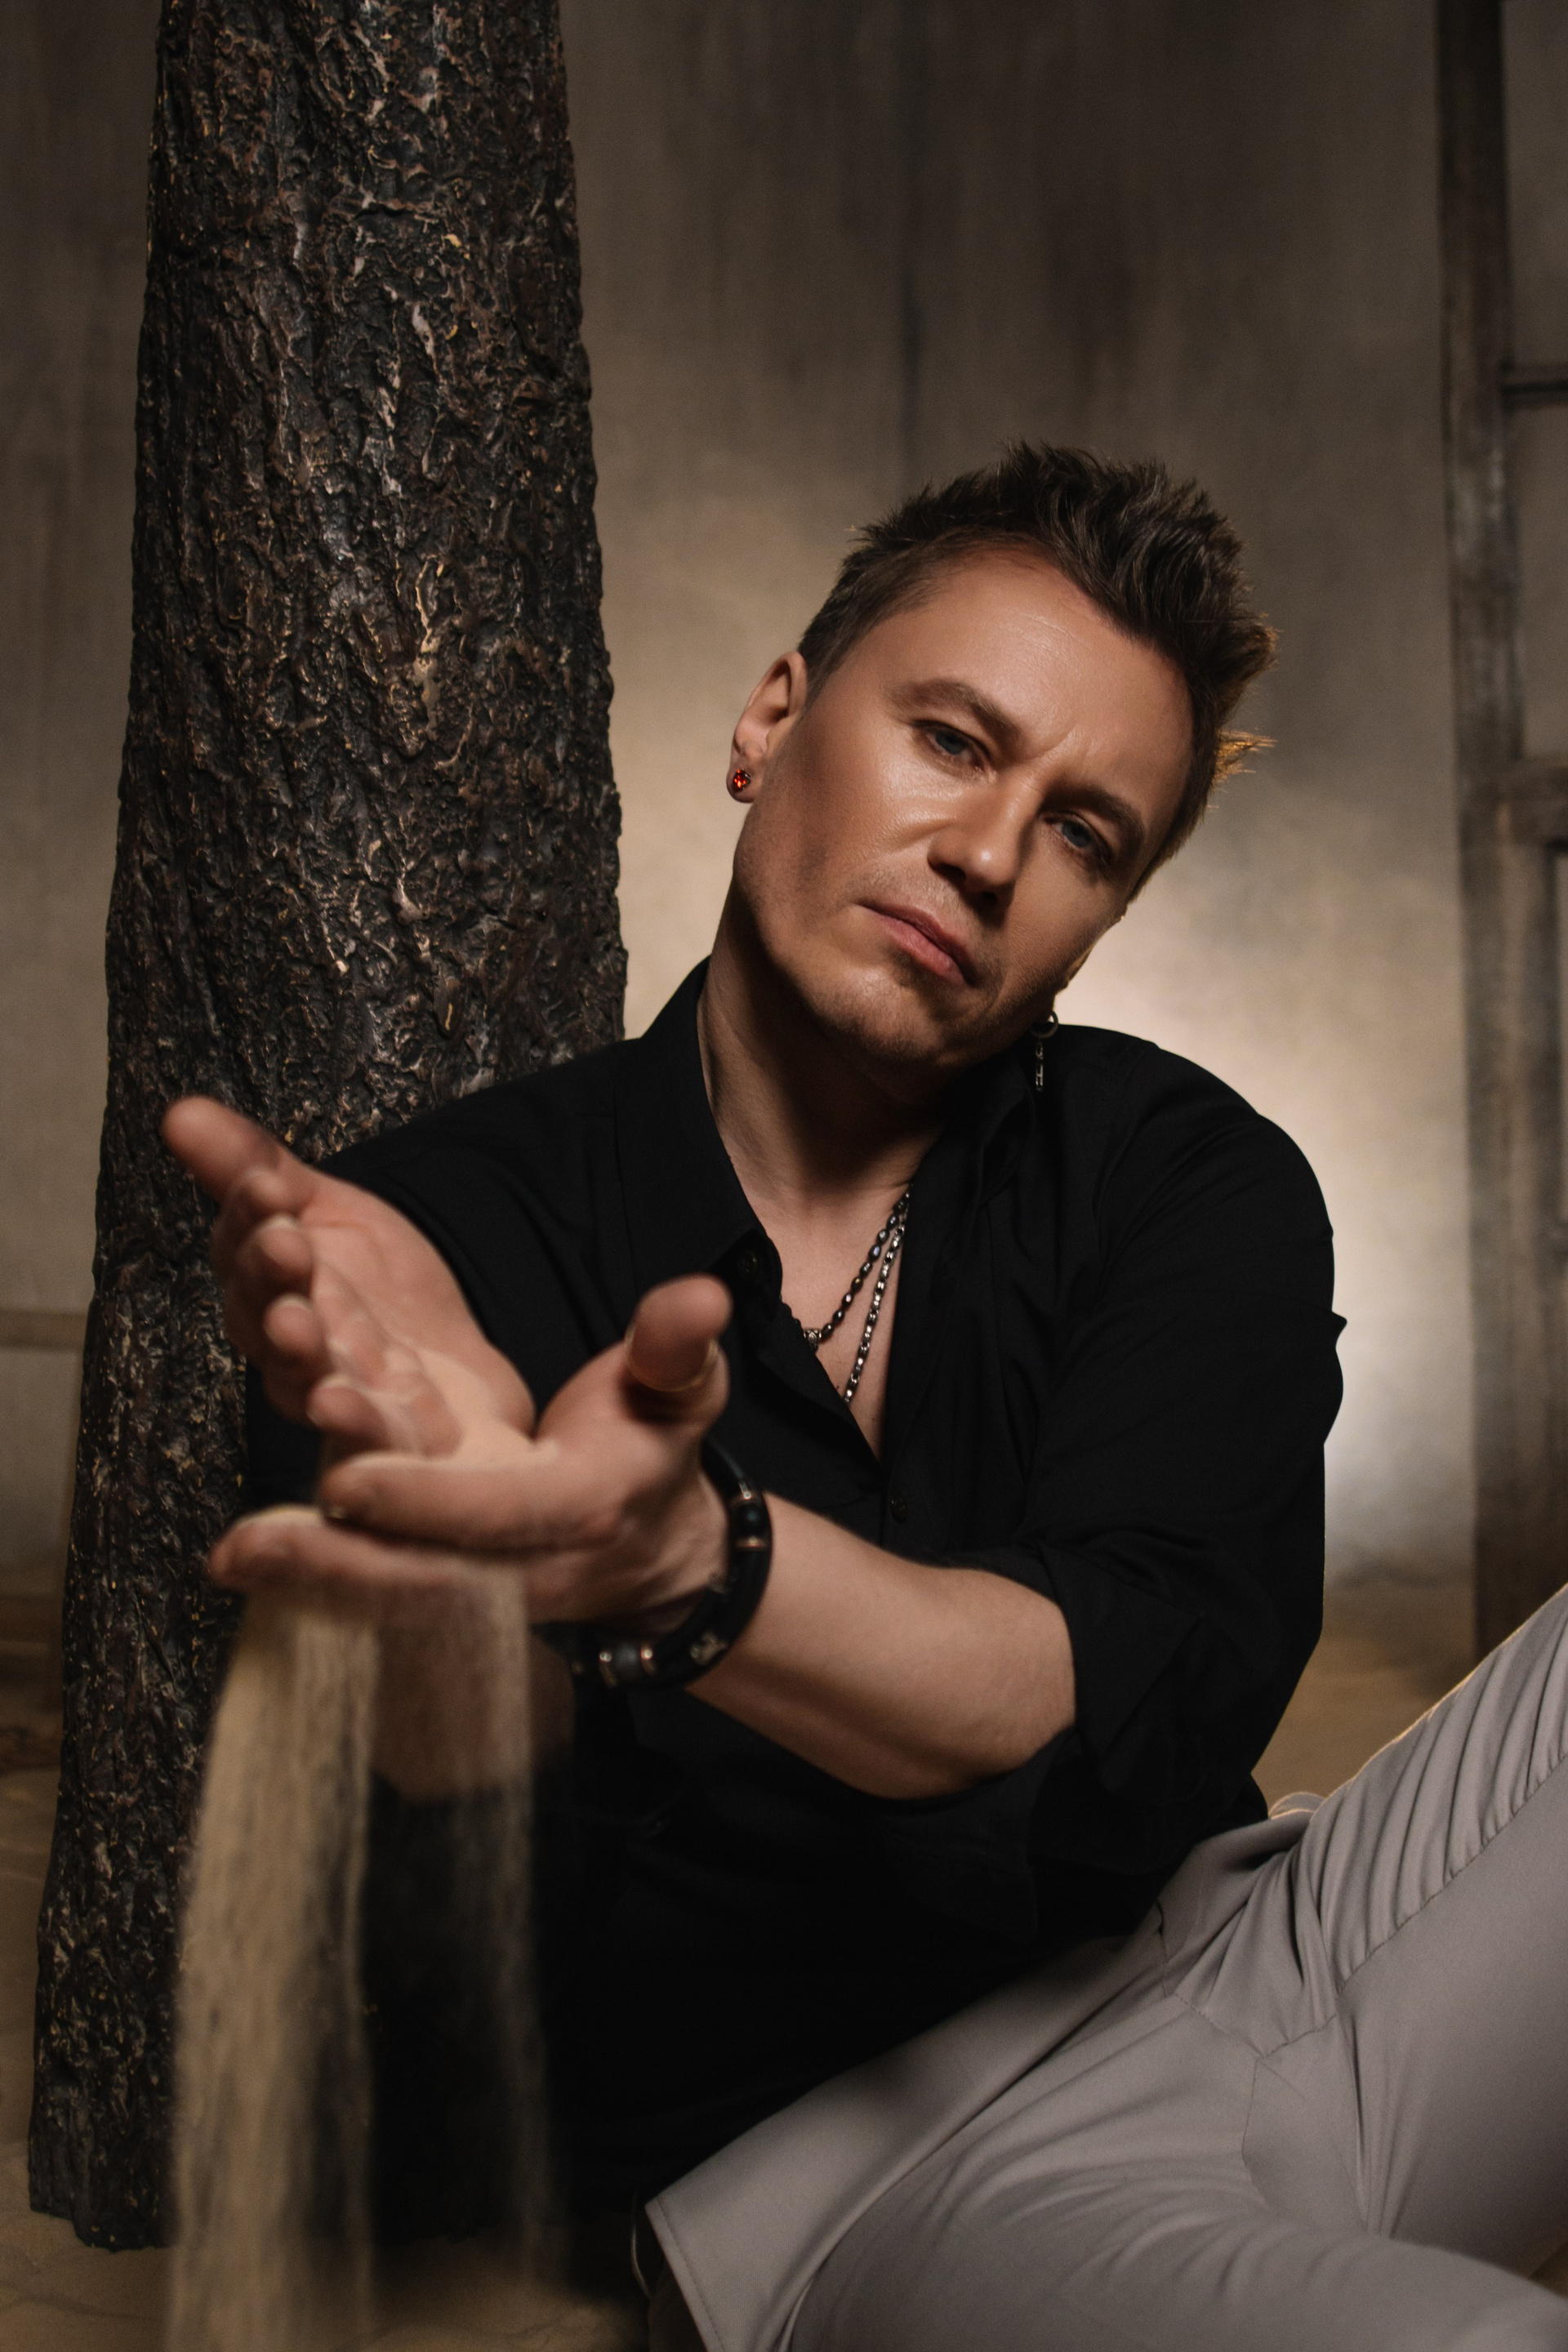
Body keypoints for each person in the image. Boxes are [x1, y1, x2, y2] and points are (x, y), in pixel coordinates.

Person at [164, 446, 1568, 2351]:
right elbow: (455, 1860)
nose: (989, 853)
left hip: (1259, 1963)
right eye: (953, 741)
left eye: (1085, 834)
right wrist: (473, 1568)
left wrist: (693, 1565)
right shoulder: (440, 1240)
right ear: (772, 721)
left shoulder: (1184, 1178)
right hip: (855, 2183)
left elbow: (1122, 1684)